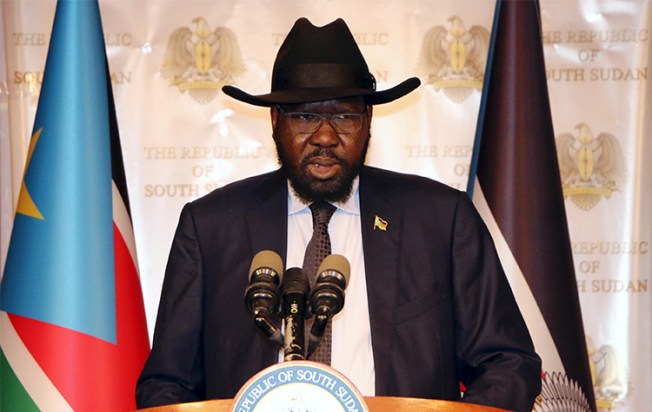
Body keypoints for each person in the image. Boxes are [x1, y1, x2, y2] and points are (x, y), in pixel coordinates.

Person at [136, 17, 541, 411]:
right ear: (275, 122)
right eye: (306, 116)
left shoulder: (441, 220)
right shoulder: (210, 228)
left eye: (345, 116)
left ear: (368, 122)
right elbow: (168, 385)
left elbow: (508, 363)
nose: (326, 137)